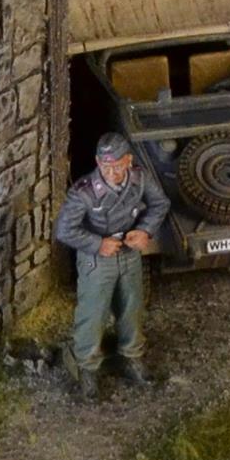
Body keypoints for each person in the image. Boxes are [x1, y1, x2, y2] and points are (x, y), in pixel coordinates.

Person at [53, 131, 170, 399]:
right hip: (97, 259)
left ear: (128, 160)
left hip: (129, 252)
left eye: (117, 166)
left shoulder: (139, 179)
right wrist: (97, 244)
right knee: (93, 312)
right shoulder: (84, 192)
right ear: (97, 161)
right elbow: (65, 230)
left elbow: (160, 204)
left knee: (131, 306)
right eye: (106, 167)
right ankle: (87, 366)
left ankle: (132, 356)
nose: (112, 173)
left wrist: (145, 230)